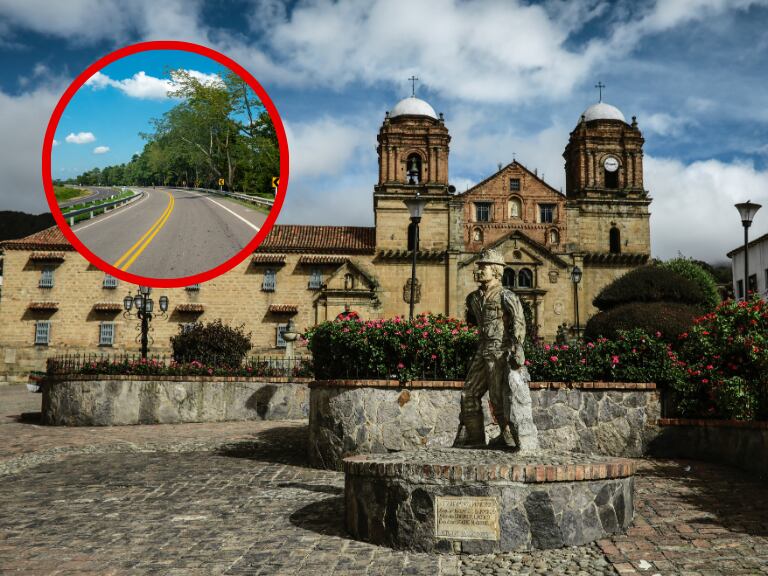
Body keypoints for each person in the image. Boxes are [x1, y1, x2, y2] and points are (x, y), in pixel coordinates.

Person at [453, 248, 539, 451]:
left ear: (496, 271)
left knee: (497, 397)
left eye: (484, 267)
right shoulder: (473, 298)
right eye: (479, 267)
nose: (479, 270)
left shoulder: (506, 296)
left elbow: (519, 322)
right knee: (469, 394)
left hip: (500, 352)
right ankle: (473, 439)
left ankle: (508, 436)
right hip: (482, 351)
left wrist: (517, 347)